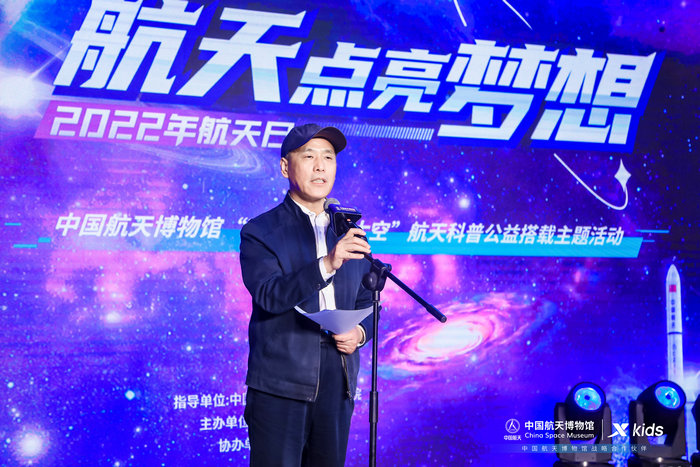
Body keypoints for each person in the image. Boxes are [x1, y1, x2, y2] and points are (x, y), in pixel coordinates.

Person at [239, 123, 374, 467]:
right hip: (281, 382)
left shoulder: (350, 231)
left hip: (338, 378)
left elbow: (369, 298)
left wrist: (360, 333)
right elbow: (269, 295)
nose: (320, 167)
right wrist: (328, 263)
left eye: (328, 158)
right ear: (286, 167)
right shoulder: (260, 231)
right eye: (309, 156)